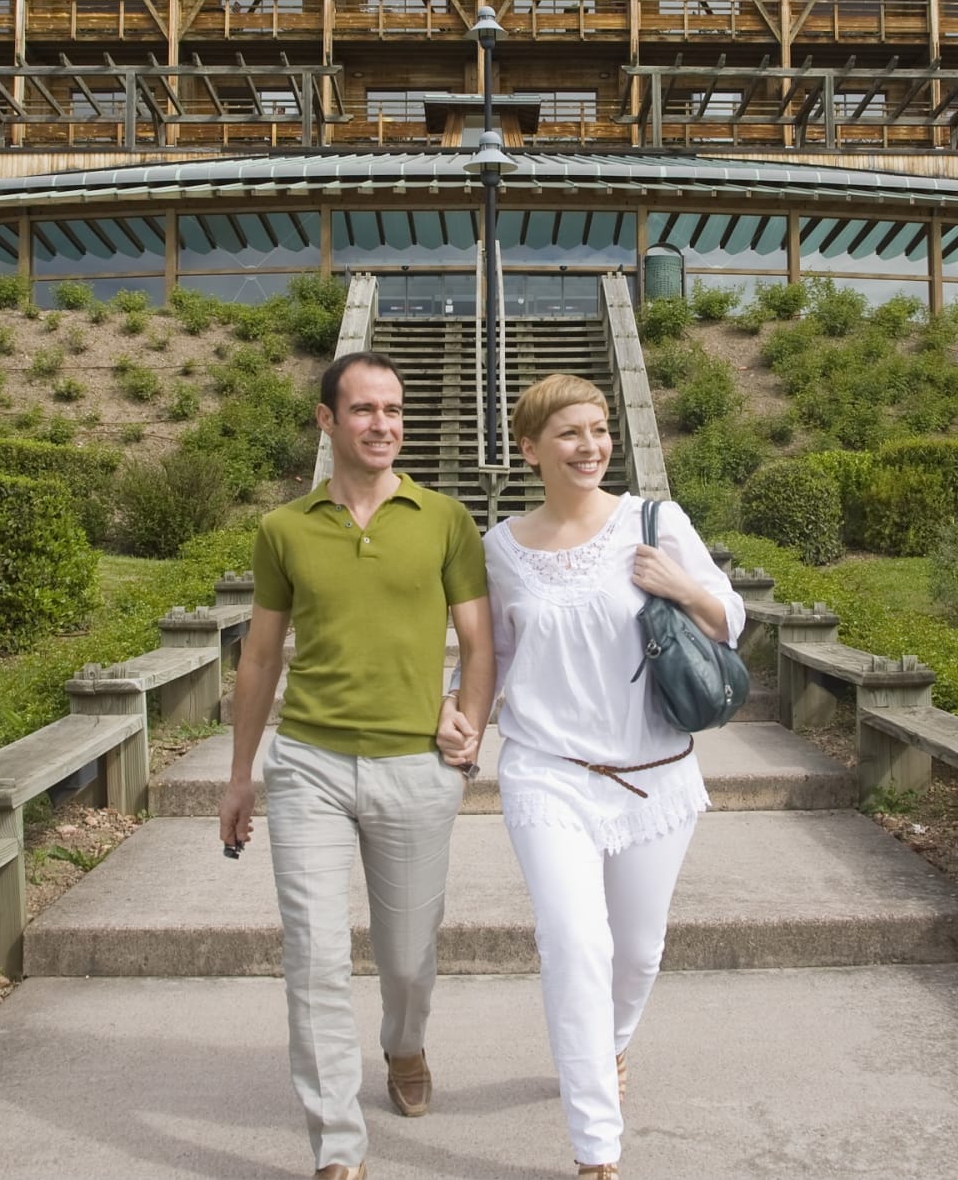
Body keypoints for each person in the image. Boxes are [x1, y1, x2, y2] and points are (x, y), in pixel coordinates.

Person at [222, 349, 495, 1180]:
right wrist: (241, 776)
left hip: (416, 766)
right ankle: (337, 1146)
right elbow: (262, 657)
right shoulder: (284, 528)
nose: (384, 424)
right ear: (327, 419)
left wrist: (470, 723)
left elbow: (481, 643)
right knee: (312, 952)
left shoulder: (444, 518)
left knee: (408, 957)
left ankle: (404, 1044)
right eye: (367, 410)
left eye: (395, 410)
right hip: (308, 765)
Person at [486, 372, 744, 1180]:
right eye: (569, 432)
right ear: (530, 449)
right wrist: (456, 715)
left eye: (599, 429)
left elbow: (731, 618)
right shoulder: (498, 547)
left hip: (654, 770)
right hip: (547, 770)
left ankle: (611, 1042)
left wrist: (680, 584)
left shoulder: (653, 520)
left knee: (637, 952)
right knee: (575, 943)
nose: (591, 444)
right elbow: (491, 654)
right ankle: (597, 1150)